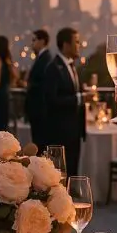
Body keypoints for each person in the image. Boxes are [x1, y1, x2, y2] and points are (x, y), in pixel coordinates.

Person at [44, 28, 93, 178]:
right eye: (76, 42)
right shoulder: (53, 68)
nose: (79, 45)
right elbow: (52, 100)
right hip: (61, 132)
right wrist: (80, 98)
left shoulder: (71, 66)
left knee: (73, 170)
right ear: (66, 45)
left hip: (74, 131)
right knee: (61, 174)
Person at [25, 29, 51, 152]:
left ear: (42, 41)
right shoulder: (41, 58)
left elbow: (43, 84)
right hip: (37, 110)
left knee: (40, 145)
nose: (32, 43)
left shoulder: (45, 58)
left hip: (40, 109)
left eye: (34, 40)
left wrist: (29, 85)